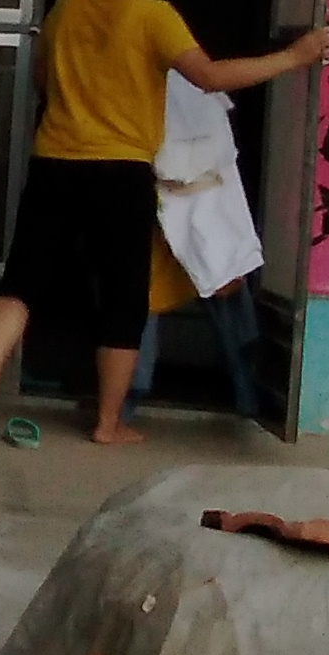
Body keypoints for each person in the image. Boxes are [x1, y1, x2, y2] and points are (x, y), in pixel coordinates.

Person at [0, 0, 324, 448]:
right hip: (122, 172)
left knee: (22, 280)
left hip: (55, 161)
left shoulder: (67, 6)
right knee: (124, 299)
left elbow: (43, 80)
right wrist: (294, 57)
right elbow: (209, 77)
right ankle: (108, 424)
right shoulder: (155, 17)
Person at [130, 67, 266, 423]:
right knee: (147, 296)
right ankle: (247, 394)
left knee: (145, 297)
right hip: (184, 195)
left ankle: (128, 400)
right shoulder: (192, 82)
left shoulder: (178, 78)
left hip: (188, 194)